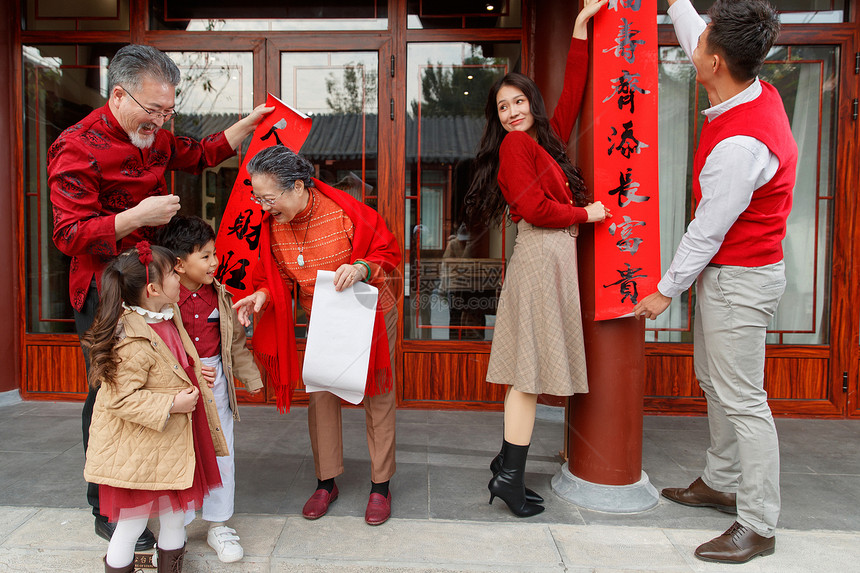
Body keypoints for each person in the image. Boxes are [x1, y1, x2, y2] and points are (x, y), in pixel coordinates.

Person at [47, 43, 272, 548]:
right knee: (112, 393)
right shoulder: (75, 146)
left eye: (169, 110)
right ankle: (107, 508)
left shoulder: (155, 137)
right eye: (154, 110)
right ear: (120, 95)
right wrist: (137, 218)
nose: (162, 120)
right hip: (105, 290)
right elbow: (68, 235)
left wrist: (253, 122)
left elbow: (208, 151)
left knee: (163, 387)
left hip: (154, 285)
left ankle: (156, 494)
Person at [633, 0, 792, 564]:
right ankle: (721, 481)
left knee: (745, 400)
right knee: (716, 382)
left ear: (716, 62)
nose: (692, 46)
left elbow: (705, 232)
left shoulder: (739, 146)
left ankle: (758, 521)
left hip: (739, 280)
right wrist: (676, 3)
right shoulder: (750, 85)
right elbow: (694, 29)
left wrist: (665, 290)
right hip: (735, 276)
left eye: (701, 46)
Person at [462, 0, 610, 518]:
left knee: (528, 372)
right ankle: (508, 478)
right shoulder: (514, 149)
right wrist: (586, 214)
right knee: (526, 374)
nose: (512, 112)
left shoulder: (543, 141)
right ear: (498, 118)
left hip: (551, 259)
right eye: (502, 108)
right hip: (539, 256)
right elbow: (531, 207)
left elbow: (571, 90)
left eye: (517, 102)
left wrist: (577, 27)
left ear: (530, 102)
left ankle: (506, 465)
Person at [232, 145, 401, 526]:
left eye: (268, 198)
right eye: (258, 198)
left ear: (296, 187)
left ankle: (381, 486)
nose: (263, 207)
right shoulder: (273, 226)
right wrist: (260, 296)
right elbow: (273, 277)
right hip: (323, 317)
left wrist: (360, 267)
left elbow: (386, 250)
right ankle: (326, 481)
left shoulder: (343, 211)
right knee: (321, 392)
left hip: (370, 313)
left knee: (376, 392)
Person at [82, 242, 227, 573]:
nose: (180, 277)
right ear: (152, 289)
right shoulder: (130, 337)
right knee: (131, 527)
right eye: (174, 273)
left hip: (168, 447)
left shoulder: (166, 315)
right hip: (140, 452)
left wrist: (192, 370)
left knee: (176, 518)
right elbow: (120, 398)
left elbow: (167, 365)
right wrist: (173, 403)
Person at [157, 215, 264, 563]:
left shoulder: (221, 296)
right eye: (205, 256)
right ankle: (179, 526)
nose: (215, 262)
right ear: (178, 263)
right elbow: (155, 346)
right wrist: (187, 368)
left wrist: (253, 379)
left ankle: (218, 522)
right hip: (179, 385)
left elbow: (234, 345)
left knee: (222, 451)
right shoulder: (162, 302)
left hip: (216, 381)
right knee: (180, 451)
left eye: (214, 254)